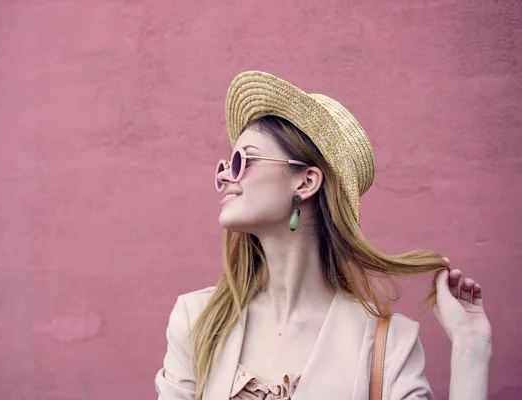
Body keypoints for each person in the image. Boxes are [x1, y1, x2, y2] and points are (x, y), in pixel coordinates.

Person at [155, 71, 492, 400]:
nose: (227, 176)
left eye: (243, 160)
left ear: (306, 181)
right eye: (225, 165)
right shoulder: (197, 320)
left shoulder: (387, 344)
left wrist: (471, 349)